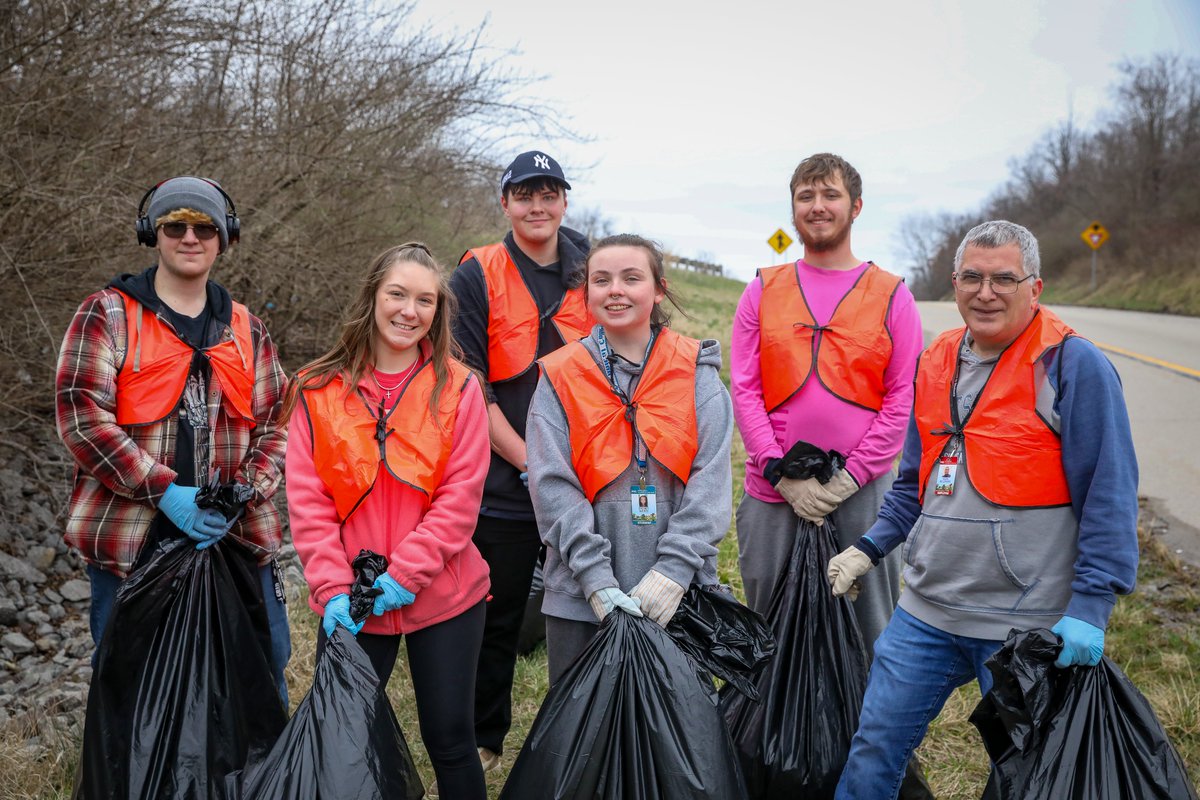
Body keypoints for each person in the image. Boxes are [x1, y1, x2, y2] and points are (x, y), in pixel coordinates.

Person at [827, 220, 1140, 799]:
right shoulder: (936, 359)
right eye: (972, 277)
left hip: (1026, 626)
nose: (986, 292)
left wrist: (1091, 606)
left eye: (1003, 279)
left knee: (1023, 777)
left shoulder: (1072, 366)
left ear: (1035, 288)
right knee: (873, 747)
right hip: (926, 613)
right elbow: (914, 486)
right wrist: (867, 549)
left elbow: (1111, 494)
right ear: (954, 283)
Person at [55, 176, 291, 701]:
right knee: (134, 692)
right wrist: (164, 491)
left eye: (205, 226)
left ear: (224, 236)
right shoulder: (107, 314)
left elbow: (279, 423)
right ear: (152, 233)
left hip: (235, 539)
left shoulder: (247, 328)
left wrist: (243, 494)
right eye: (175, 225)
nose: (191, 237)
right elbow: (81, 418)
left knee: (259, 676)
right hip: (134, 541)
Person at [284, 242, 491, 799]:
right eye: (397, 294)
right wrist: (331, 590)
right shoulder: (315, 389)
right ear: (373, 296)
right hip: (350, 601)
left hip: (445, 594)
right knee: (348, 744)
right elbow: (308, 503)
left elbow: (460, 498)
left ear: (438, 310)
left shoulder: (461, 388)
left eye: (424, 300)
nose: (409, 311)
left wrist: (406, 574)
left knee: (450, 739)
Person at [730, 152, 923, 659]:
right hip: (773, 493)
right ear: (793, 210)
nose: (818, 206)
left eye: (830, 194)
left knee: (868, 626)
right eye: (806, 196)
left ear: (855, 206)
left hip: (863, 493)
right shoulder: (761, 291)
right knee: (770, 626)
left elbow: (903, 396)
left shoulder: (891, 295)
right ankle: (767, 737)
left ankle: (867, 736)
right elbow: (745, 388)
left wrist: (851, 477)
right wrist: (778, 473)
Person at [526, 234, 734, 683]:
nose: (615, 289)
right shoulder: (560, 376)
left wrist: (675, 571)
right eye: (601, 280)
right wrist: (595, 579)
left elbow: (710, 483)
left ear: (658, 289)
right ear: (587, 294)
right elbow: (551, 486)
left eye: (631, 278)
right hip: (581, 598)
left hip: (680, 594)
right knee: (585, 739)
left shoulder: (697, 374)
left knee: (676, 738)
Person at [449, 150, 593, 768]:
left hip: (590, 474)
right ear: (505, 203)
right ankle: (485, 739)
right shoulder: (475, 275)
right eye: (524, 193)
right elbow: (467, 385)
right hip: (504, 478)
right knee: (496, 612)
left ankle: (592, 728)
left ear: (565, 200)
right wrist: (531, 464)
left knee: (594, 603)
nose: (538, 204)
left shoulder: (597, 268)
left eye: (549, 192)